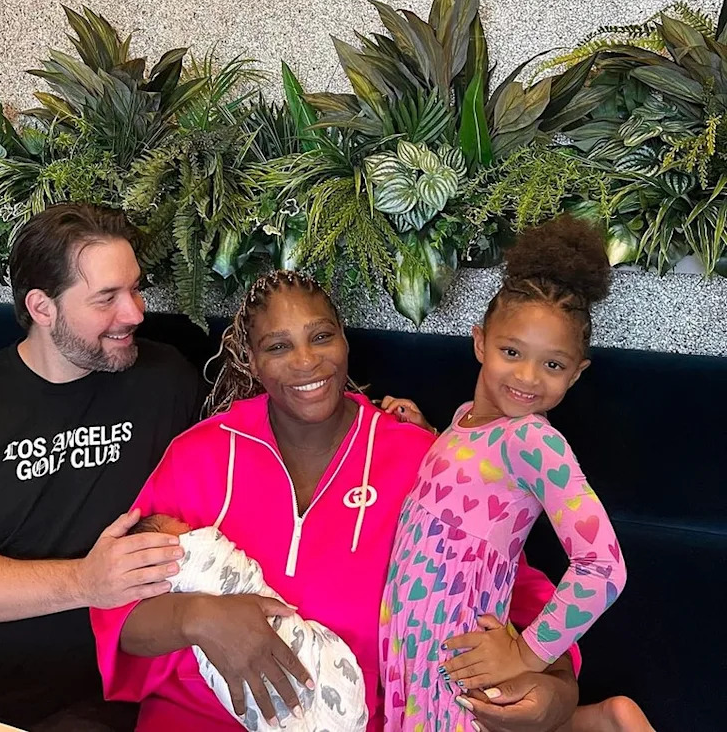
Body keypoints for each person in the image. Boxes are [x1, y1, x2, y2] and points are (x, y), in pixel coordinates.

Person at [90, 269, 582, 732]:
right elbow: (119, 609)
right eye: (278, 346)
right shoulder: (198, 455)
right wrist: (197, 618)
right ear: (252, 361)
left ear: (345, 341)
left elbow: (511, 587)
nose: (306, 361)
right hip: (195, 718)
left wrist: (558, 692)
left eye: (322, 336)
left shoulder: (422, 460)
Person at [0, 203, 201, 730]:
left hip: (106, 689)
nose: (134, 313)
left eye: (135, 288)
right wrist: (84, 581)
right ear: (42, 307)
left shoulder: (166, 379)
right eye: (106, 298)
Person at [379, 216, 643, 732]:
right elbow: (472, 488)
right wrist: (428, 432)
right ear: (480, 342)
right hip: (412, 641)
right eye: (512, 352)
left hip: (456, 654)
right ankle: (597, 722)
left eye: (552, 365)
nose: (527, 377)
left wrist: (525, 653)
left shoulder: (535, 442)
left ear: (577, 373)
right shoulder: (465, 420)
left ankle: (600, 722)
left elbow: (604, 568)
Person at [129, 514, 369, 731]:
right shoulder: (174, 493)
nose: (188, 526)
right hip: (185, 715)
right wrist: (197, 616)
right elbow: (121, 609)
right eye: (181, 526)